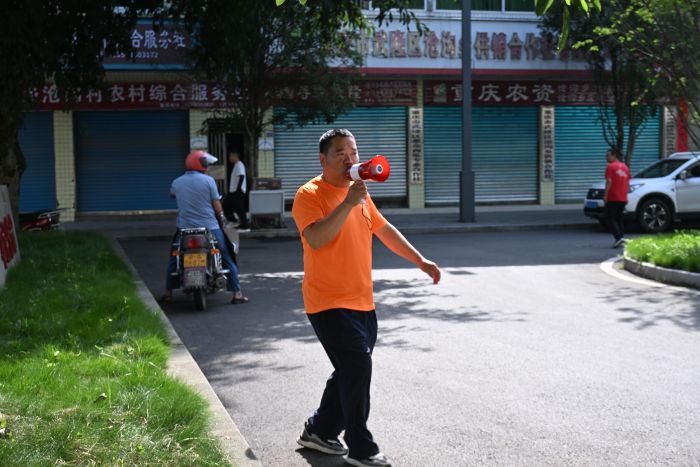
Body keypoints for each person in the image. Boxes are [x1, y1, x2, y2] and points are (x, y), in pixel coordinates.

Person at [292, 129, 441, 467]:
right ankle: (361, 447)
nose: (350, 158)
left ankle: (319, 431)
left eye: (354, 152)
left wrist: (420, 261)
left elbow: (384, 229)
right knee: (357, 365)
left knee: (349, 369)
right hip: (327, 301)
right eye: (341, 152)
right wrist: (347, 202)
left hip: (362, 300)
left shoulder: (360, 194)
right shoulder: (309, 194)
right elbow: (316, 239)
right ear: (323, 159)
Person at [161, 150, 248, 305]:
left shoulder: (177, 182)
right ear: (200, 164)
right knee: (227, 254)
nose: (207, 166)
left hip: (184, 229)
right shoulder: (209, 181)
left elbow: (173, 194)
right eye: (205, 163)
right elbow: (217, 205)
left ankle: (168, 293)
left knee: (174, 258)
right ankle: (237, 294)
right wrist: (221, 217)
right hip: (210, 228)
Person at [604, 148, 631, 248]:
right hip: (622, 197)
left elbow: (609, 181)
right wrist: (626, 196)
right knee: (619, 219)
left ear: (614, 155)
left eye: (608, 155)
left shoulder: (610, 167)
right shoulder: (625, 167)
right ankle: (621, 239)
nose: (606, 157)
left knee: (610, 218)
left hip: (613, 196)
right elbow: (628, 182)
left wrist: (605, 195)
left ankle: (618, 238)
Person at [225, 150, 249, 229]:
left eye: (230, 156)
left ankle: (244, 225)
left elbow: (241, 176)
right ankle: (238, 222)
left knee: (239, 208)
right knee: (233, 207)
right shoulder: (236, 164)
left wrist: (238, 189)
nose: (229, 158)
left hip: (238, 191)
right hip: (234, 190)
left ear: (235, 155)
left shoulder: (239, 164)